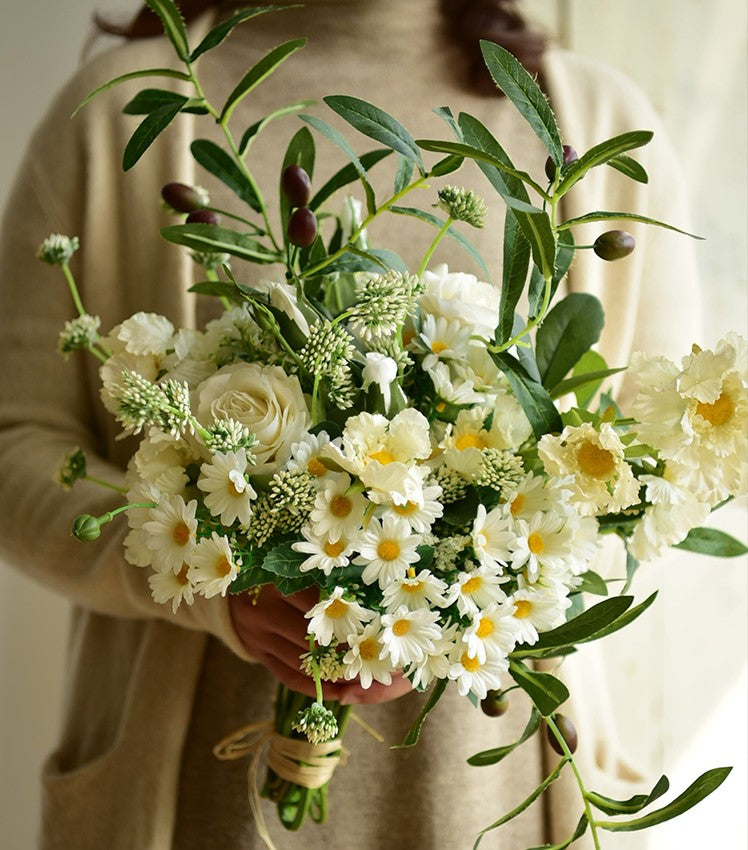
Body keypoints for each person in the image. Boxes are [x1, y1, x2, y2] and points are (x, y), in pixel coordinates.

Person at [0, 1, 701, 848]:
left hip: (493, 798)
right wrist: (212, 588)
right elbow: (15, 448)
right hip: (194, 800)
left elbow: (663, 469)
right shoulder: (121, 110)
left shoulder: (597, 122)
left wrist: (487, 572)